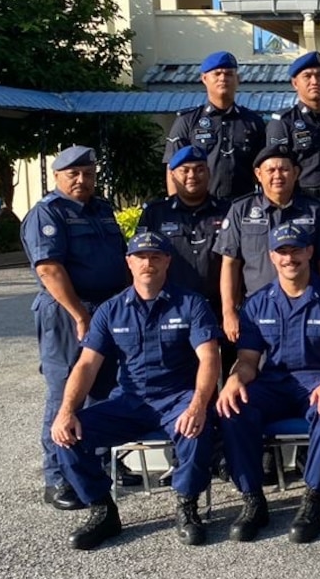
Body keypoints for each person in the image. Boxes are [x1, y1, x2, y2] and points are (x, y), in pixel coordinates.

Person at [51, 232, 222, 549]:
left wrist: (198, 405)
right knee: (66, 434)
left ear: (167, 261)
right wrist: (66, 411)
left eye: (156, 257)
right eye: (141, 257)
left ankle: (187, 506)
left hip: (177, 399)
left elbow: (209, 357)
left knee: (196, 429)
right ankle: (103, 510)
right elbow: (87, 364)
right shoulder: (110, 311)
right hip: (129, 403)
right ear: (129, 262)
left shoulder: (192, 304)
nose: (148, 263)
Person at [216, 223, 320, 544]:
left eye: (296, 249)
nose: (289, 257)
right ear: (272, 256)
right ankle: (253, 500)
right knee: (232, 408)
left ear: (309, 252)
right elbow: (249, 362)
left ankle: (313, 498)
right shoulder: (257, 304)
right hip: (274, 385)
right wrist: (233, 380)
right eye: (282, 251)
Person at [19, 145, 129, 510]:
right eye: (74, 174)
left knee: (103, 388)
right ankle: (57, 477)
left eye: (89, 174)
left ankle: (94, 464)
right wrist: (80, 314)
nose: (82, 180)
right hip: (68, 312)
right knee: (65, 391)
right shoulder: (48, 213)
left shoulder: (103, 210)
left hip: (106, 309)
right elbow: (49, 269)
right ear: (58, 177)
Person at [214, 145, 320, 347]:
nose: (277, 176)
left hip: (307, 307)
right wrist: (228, 311)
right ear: (258, 174)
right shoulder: (241, 210)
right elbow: (230, 264)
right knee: (253, 369)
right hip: (257, 310)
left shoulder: (315, 210)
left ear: (296, 173)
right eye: (270, 170)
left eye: (284, 169)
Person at [164, 51, 266, 200]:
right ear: (204, 78)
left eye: (229, 74)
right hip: (202, 210)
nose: (223, 78)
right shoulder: (188, 121)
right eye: (217, 74)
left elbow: (264, 168)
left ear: (238, 79)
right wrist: (177, 209)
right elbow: (172, 169)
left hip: (242, 208)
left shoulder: (253, 121)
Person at [136, 145, 228, 306]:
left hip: (219, 307)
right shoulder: (155, 213)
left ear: (208, 173)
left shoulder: (227, 211)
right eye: (184, 170)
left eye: (199, 169)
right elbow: (139, 260)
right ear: (172, 175)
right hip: (169, 306)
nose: (192, 176)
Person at [263, 51, 320, 204]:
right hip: (303, 201)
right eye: (307, 76)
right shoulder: (284, 121)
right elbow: (277, 166)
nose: (315, 81)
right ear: (295, 83)